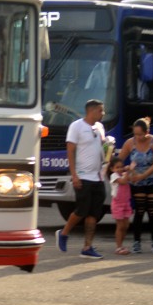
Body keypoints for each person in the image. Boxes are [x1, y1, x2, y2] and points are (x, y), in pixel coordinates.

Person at [55, 99, 106, 259]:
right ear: (91, 111)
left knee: (94, 214)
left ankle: (87, 247)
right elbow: (70, 152)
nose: (103, 114)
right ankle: (63, 233)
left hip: (98, 177)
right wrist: (74, 175)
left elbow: (102, 149)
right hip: (83, 176)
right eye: (101, 111)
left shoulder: (99, 127)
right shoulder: (76, 126)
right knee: (81, 211)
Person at [117, 117, 153, 253]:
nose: (138, 137)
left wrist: (141, 176)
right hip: (136, 182)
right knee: (140, 211)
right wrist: (122, 169)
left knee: (152, 211)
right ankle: (137, 242)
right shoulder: (130, 143)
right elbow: (119, 161)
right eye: (135, 134)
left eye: (140, 134)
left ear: (147, 132)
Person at [107, 157, 133, 255]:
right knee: (120, 226)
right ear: (112, 169)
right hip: (117, 204)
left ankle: (121, 245)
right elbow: (123, 182)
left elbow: (133, 179)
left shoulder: (123, 174)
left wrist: (131, 170)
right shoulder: (114, 176)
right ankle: (118, 247)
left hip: (126, 203)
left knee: (126, 225)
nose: (120, 169)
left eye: (121, 167)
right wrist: (126, 173)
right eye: (117, 167)